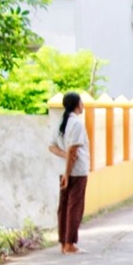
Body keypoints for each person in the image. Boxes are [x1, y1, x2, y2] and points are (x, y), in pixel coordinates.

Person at [47, 92, 90, 255]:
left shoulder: (61, 123)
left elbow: (52, 146)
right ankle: (69, 244)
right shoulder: (76, 124)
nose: (83, 104)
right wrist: (67, 171)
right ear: (77, 104)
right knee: (74, 206)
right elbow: (73, 149)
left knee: (64, 206)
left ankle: (63, 242)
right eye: (81, 101)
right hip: (76, 171)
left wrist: (64, 158)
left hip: (64, 170)